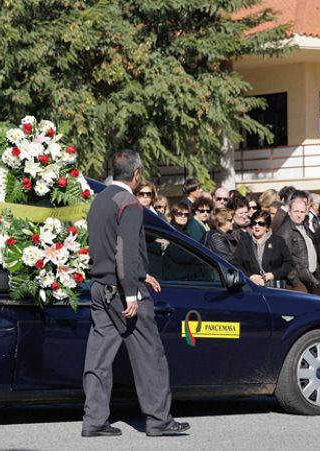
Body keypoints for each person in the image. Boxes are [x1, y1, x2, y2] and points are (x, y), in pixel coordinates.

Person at [83, 149, 189, 437]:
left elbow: (103, 246)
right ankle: (159, 420)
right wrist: (132, 291)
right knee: (149, 355)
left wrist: (140, 273)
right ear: (136, 173)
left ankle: (94, 420)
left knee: (98, 358)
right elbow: (124, 250)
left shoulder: (99, 200)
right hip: (122, 290)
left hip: (99, 287)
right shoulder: (128, 202)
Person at [231, 210, 293, 288]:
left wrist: (272, 275)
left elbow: (288, 263)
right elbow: (235, 264)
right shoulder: (244, 243)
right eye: (254, 223)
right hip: (252, 288)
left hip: (273, 288)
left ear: (267, 227)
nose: (256, 226)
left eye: (261, 224)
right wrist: (250, 276)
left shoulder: (278, 241)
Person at [276, 196, 320, 294]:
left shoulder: (305, 227)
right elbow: (284, 260)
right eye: (296, 211)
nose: (299, 215)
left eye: (302, 212)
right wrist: (295, 283)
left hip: (310, 279)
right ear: (289, 212)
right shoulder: (285, 232)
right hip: (298, 284)